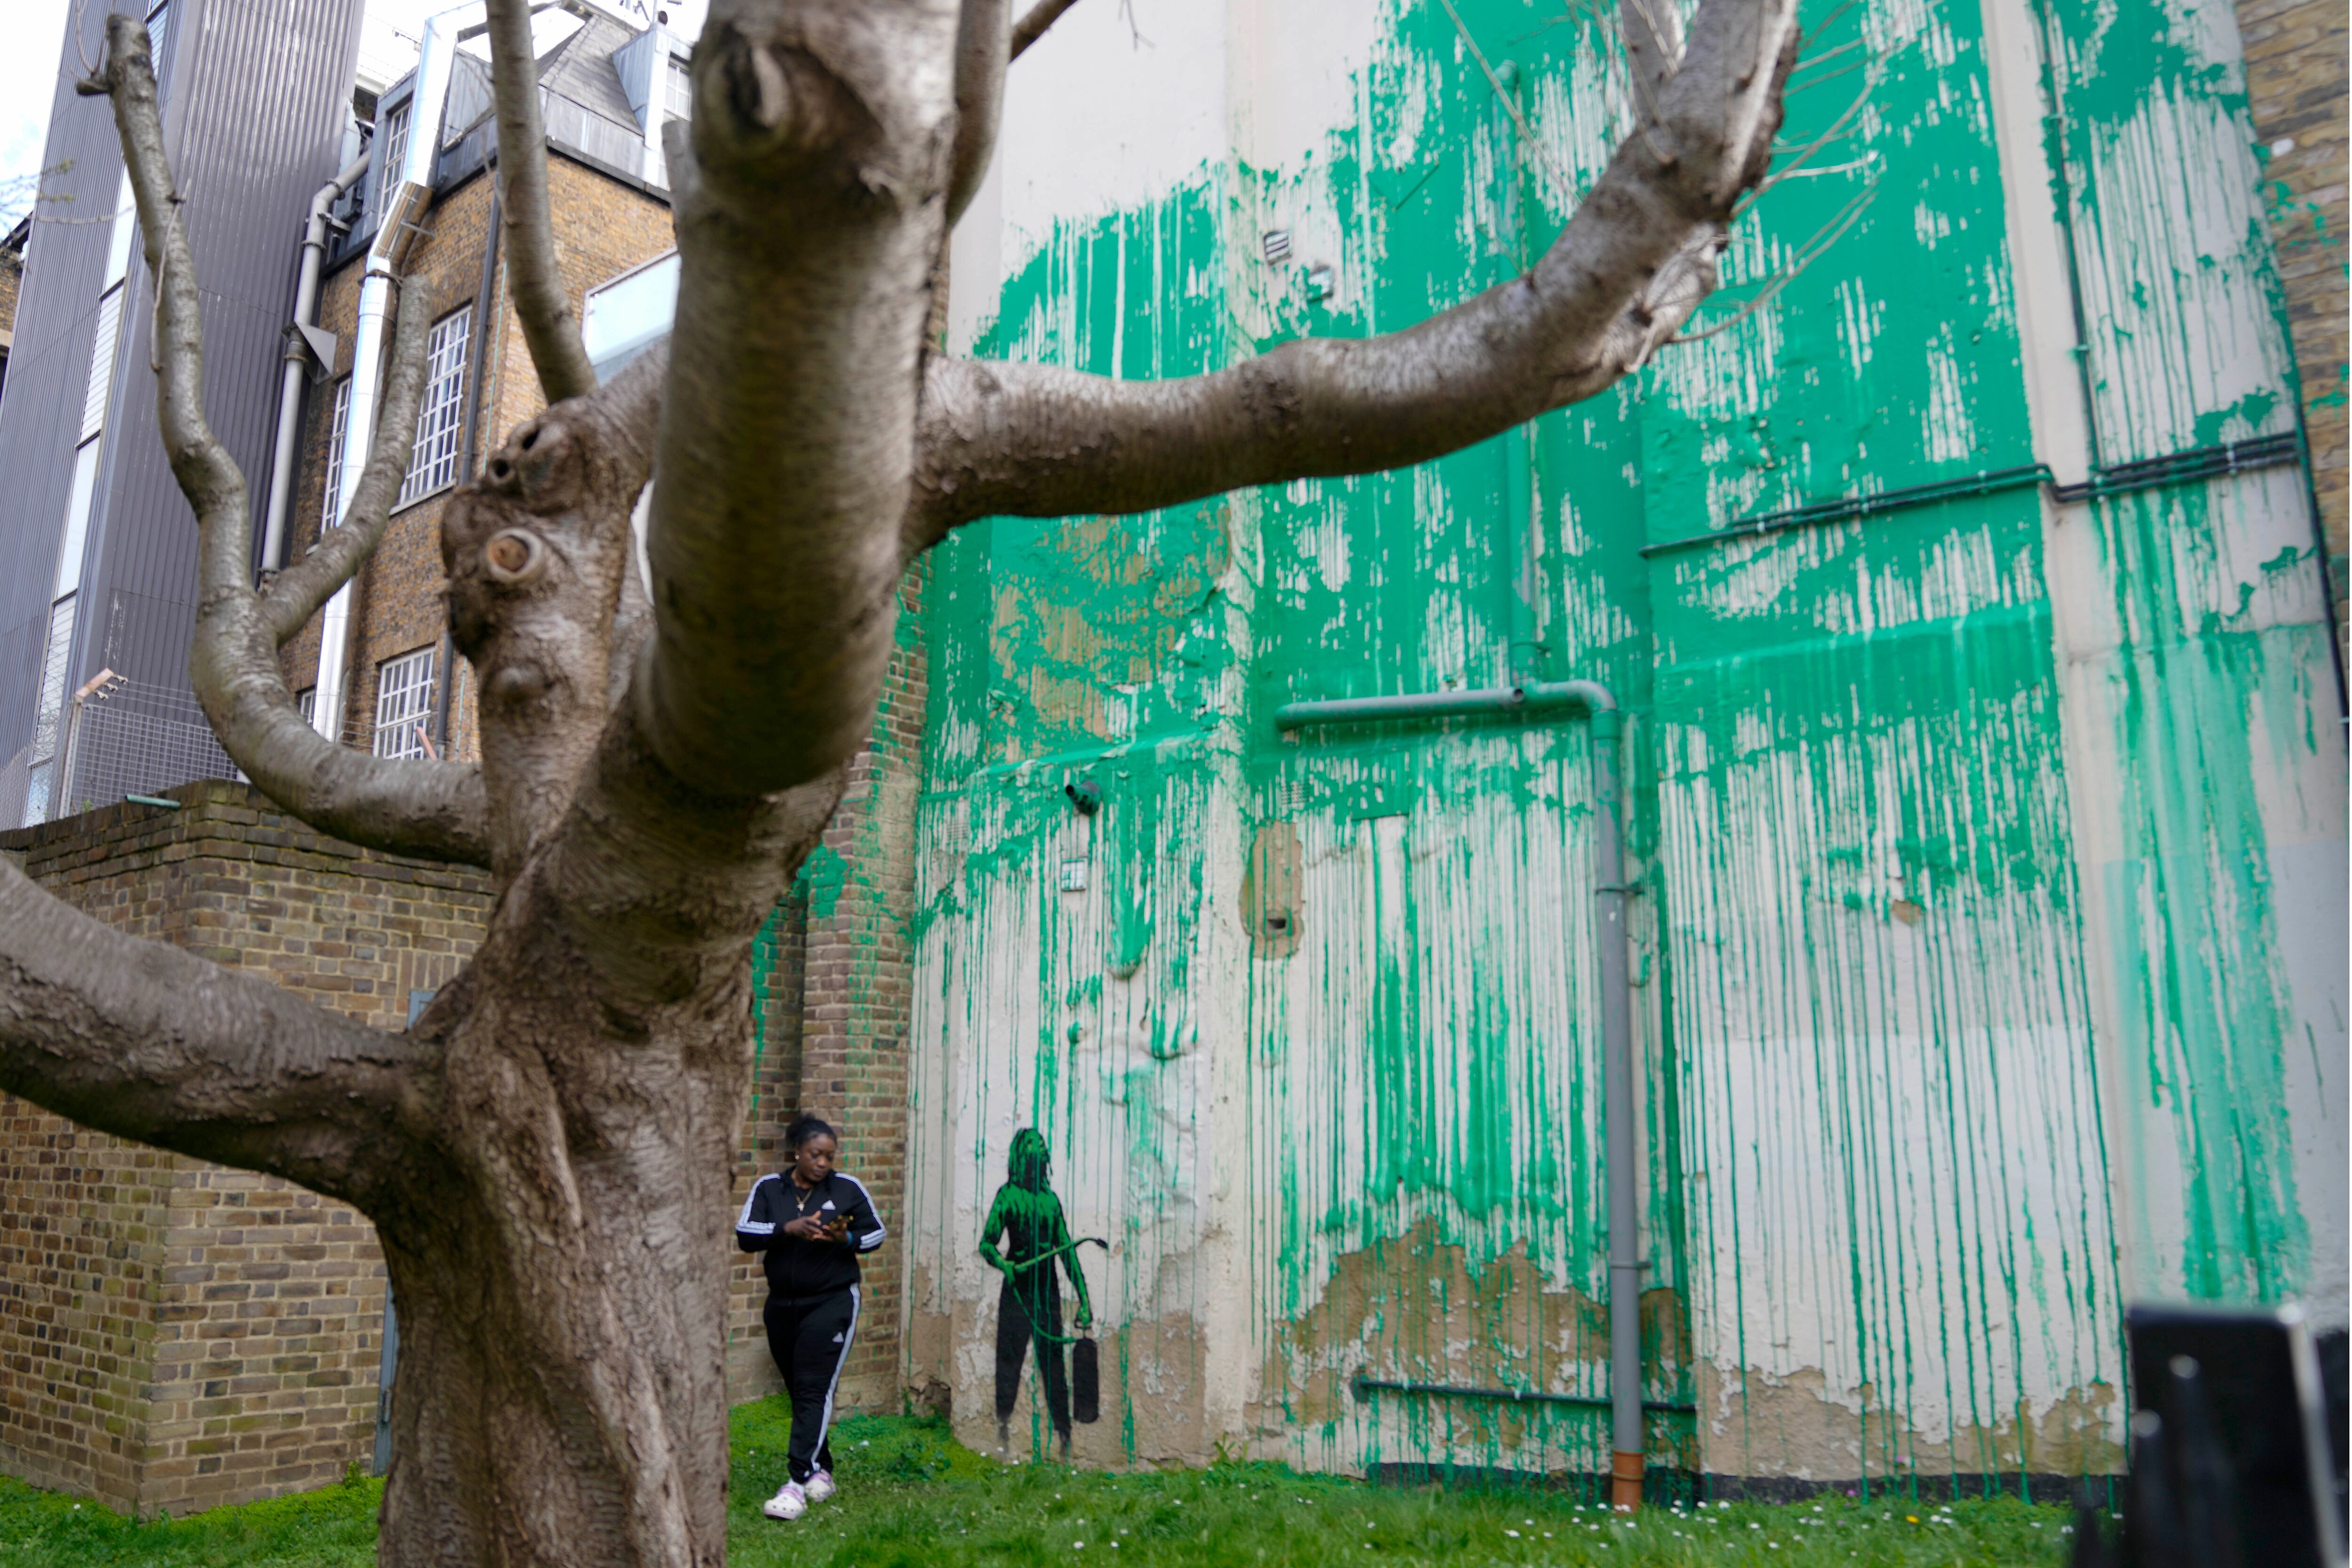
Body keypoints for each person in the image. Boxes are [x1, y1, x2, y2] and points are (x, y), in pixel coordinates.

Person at [735, 1113, 886, 1521]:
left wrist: (846, 1238)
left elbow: (876, 1234)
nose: (823, 1163)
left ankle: (796, 1482)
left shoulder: (846, 1188)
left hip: (832, 1301)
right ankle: (823, 1470)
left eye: (829, 1156)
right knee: (799, 1387)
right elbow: (746, 1234)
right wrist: (789, 1228)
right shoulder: (770, 1188)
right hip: (782, 1304)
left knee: (812, 1388)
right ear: (797, 1151)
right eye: (815, 1154)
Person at [978, 1126, 1092, 1456]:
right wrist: (1005, 1265)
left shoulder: (1050, 1201)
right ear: (1021, 1155)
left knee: (1053, 1363)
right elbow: (987, 1243)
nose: (1039, 1151)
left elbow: (1067, 1253)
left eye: (1042, 1146)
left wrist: (1083, 1299)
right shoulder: (1008, 1195)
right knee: (1009, 1361)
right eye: (1033, 1146)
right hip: (1017, 1288)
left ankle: (1064, 1435)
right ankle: (1001, 1428)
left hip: (1047, 1290)